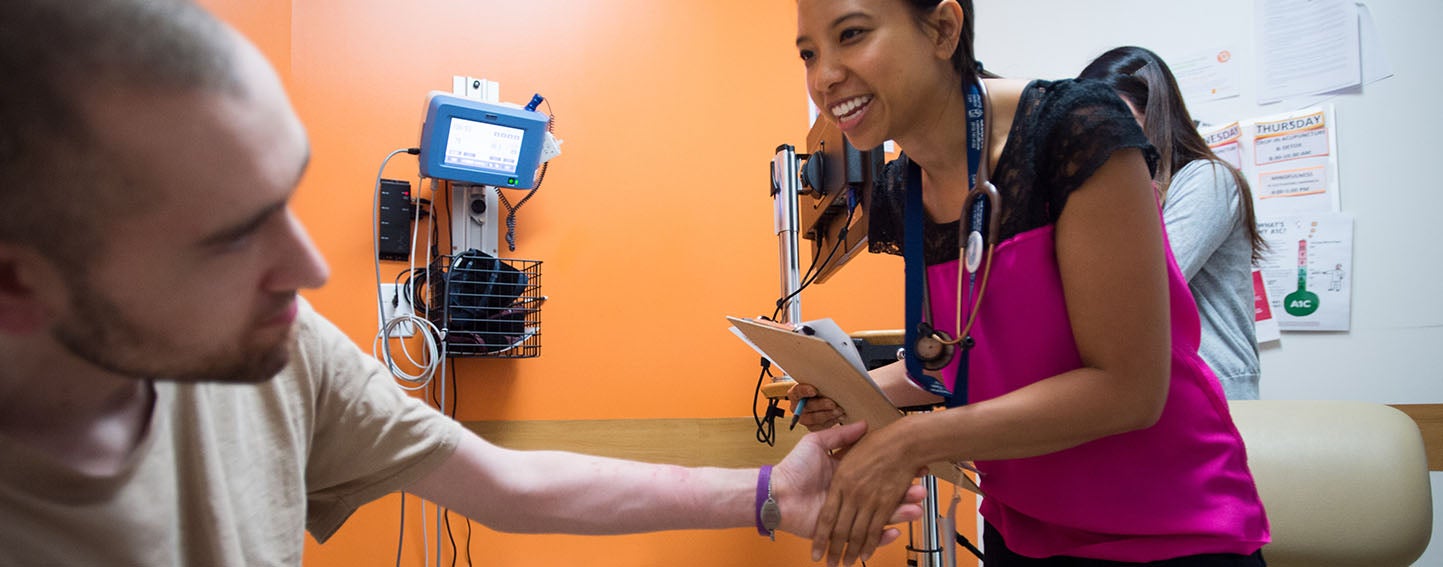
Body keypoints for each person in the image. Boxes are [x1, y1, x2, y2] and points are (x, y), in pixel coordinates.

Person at [0, 1, 924, 565]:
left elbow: (509, 486)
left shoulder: (287, 349)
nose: (312, 270)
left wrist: (766, 494)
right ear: (19, 284)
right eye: (229, 238)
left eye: (284, 197)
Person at [789, 1, 1270, 566]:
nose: (825, 76)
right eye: (809, 53)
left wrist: (911, 442)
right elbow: (950, 360)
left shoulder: (1072, 130)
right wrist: (852, 391)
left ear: (943, 29)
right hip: (1022, 531)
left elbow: (1128, 391)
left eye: (852, 34)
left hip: (1167, 531)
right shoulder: (903, 191)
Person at [1078, 46, 1266, 401]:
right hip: (1155, 389)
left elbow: (1146, 288)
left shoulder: (1208, 179)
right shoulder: (1117, 192)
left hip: (1216, 385)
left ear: (1157, 116)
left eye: (1118, 120)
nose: (1101, 137)